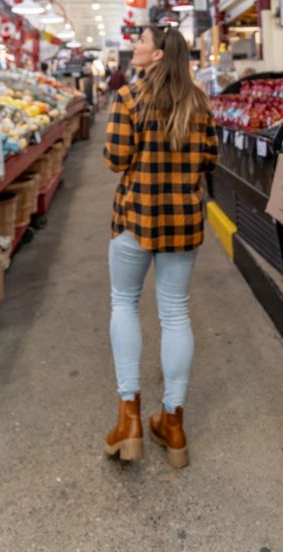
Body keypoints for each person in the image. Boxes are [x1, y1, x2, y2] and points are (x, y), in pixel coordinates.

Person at [103, 25, 218, 468]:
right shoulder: (200, 102)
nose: (134, 46)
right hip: (183, 224)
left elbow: (115, 160)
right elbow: (210, 158)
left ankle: (129, 418)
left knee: (124, 303)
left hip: (135, 220)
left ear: (156, 55)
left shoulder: (129, 99)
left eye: (141, 41)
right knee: (175, 312)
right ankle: (173, 423)